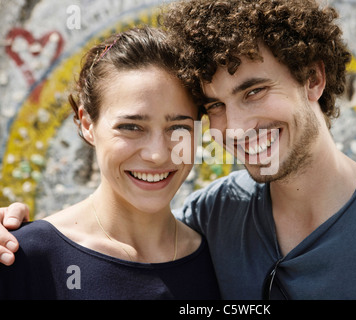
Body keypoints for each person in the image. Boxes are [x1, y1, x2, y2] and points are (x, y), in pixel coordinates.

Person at [2, 0, 356, 299]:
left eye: (254, 92)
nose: (234, 128)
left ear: (314, 79)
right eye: (215, 104)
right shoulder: (213, 216)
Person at [0, 25, 220, 299]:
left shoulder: (222, 261)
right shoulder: (20, 257)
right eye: (131, 127)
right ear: (87, 124)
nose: (158, 155)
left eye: (179, 128)